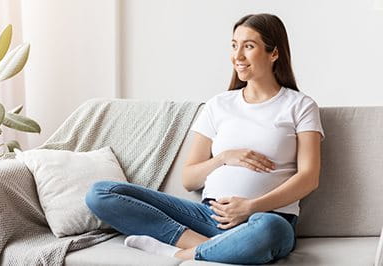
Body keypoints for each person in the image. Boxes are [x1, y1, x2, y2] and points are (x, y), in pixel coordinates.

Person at [85, 13, 325, 265]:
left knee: (270, 230)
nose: (238, 56)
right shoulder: (218, 105)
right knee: (100, 193)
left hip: (266, 217)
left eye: (249, 46)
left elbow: (309, 178)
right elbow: (189, 179)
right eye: (234, 45)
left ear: (273, 53)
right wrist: (222, 158)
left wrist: (251, 207)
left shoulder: (300, 105)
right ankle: (214, 246)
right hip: (207, 216)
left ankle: (180, 253)